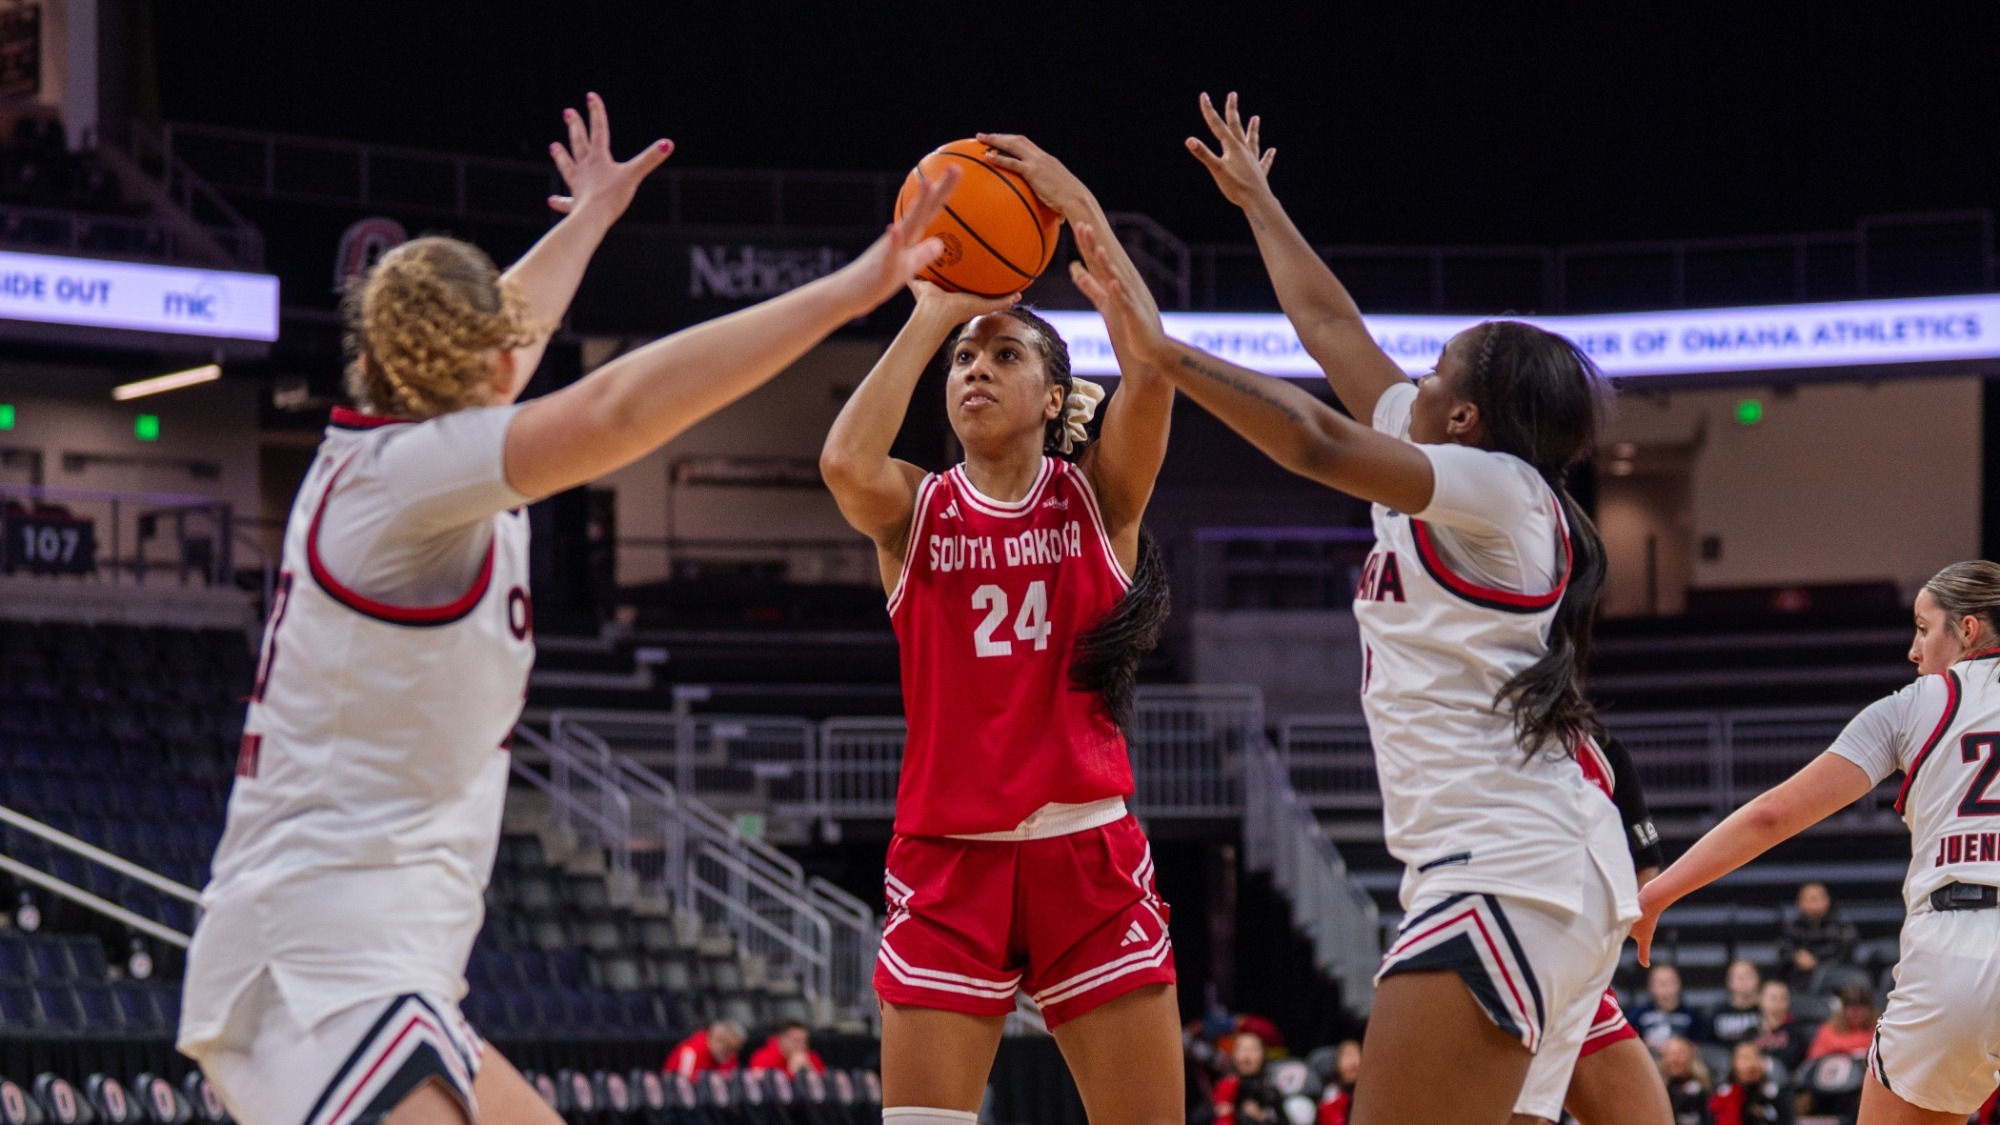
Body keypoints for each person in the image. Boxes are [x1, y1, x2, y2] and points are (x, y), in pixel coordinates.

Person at [175, 94, 965, 1125]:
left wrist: (589, 216)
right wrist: (849, 292)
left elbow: (510, 327)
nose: (524, 348)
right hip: (319, 968)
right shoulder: (409, 479)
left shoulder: (408, 443)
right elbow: (616, 408)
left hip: (364, 955)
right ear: (482, 356)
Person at [1075, 90, 1636, 1125]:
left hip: (1499, 869)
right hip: (1542, 869)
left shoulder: (1497, 492)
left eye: (1427, 374)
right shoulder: (1452, 464)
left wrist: (1157, 355)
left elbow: (1313, 441)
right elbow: (1330, 328)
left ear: (1461, 416)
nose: (1403, 382)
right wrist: (1256, 201)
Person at [820, 132, 1180, 1125]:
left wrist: (1083, 207)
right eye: (964, 358)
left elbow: (1151, 372)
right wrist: (933, 312)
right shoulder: (917, 507)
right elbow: (845, 463)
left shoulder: (1095, 500)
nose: (974, 367)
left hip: (1086, 856)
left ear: (1054, 398)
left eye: (1003, 352)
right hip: (948, 862)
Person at [1634, 560, 2000, 1123]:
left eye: (1924, 629)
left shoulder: (1913, 705)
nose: (1913, 649)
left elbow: (1772, 815)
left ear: (1968, 630)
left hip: (1958, 953)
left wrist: (1655, 894)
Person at [1558, 732, 1674, 1125]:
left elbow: (1647, 861)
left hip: (1576, 979)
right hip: (1493, 962)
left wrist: (1639, 914)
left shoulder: (1602, 751)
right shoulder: (1480, 734)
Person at [1778, 883, 1859, 993]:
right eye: (1811, 899)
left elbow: (1845, 949)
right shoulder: (1792, 926)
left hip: (1834, 974)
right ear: (1798, 903)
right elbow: (1784, 949)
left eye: (1820, 898)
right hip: (1800, 977)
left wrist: (1816, 960)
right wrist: (1796, 956)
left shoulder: (1841, 923)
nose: (1816, 903)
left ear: (1828, 900)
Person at [1710, 1041, 1792, 1125]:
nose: (1753, 1064)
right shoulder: (1722, 1096)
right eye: (1746, 1058)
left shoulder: (1777, 1095)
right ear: (1734, 1063)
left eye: (1757, 1056)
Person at [1631, 964, 1704, 1048]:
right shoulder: (1638, 1015)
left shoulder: (1693, 1016)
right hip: (1649, 1058)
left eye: (1670, 982)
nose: (1666, 988)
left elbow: (1699, 1045)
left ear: (1679, 983)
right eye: (1661, 983)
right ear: (1650, 986)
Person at [1212, 1031, 1277, 1125]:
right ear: (1233, 1055)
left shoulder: (1270, 1089)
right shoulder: (1224, 1087)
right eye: (1241, 1049)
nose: (1246, 1054)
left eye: (1253, 1049)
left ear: (1263, 1054)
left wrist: (1261, 1116)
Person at [1750, 980, 1810, 1079]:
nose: (1778, 1003)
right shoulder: (1750, 1032)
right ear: (1760, 999)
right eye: (1773, 998)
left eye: (1783, 998)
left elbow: (1794, 1059)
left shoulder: (1796, 1031)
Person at [1804, 985, 1877, 1062]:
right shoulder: (1828, 1031)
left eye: (1861, 1007)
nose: (1856, 1012)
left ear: (1870, 1009)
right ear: (1842, 1010)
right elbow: (1814, 1060)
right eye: (1851, 1008)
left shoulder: (1879, 1031)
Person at [1660, 1037, 1716, 1125]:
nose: (1674, 1059)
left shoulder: (1703, 1091)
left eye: (1679, 1054)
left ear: (1691, 1057)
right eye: (1669, 1054)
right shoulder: (1657, 1091)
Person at [667, 1021, 747, 1080]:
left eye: (736, 1050)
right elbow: (683, 1084)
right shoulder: (691, 1052)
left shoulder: (729, 1057)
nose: (733, 1054)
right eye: (730, 1048)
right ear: (717, 1040)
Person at [1710, 961, 1767, 1045]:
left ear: (1758, 979)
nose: (1744, 981)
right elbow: (1709, 1046)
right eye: (1739, 977)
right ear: (1729, 982)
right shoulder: (1718, 1012)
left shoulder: (1767, 1010)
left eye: (1749, 976)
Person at [746, 1021, 826, 1075]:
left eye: (805, 1041)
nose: (802, 1045)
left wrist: (808, 1069)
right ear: (782, 1039)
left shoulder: (812, 1057)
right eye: (796, 1040)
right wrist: (793, 1073)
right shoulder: (762, 1057)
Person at [1316, 1041, 1360, 1125]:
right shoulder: (1330, 1094)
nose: (1353, 1062)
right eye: (1348, 1055)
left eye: (1357, 1055)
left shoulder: (1368, 1093)